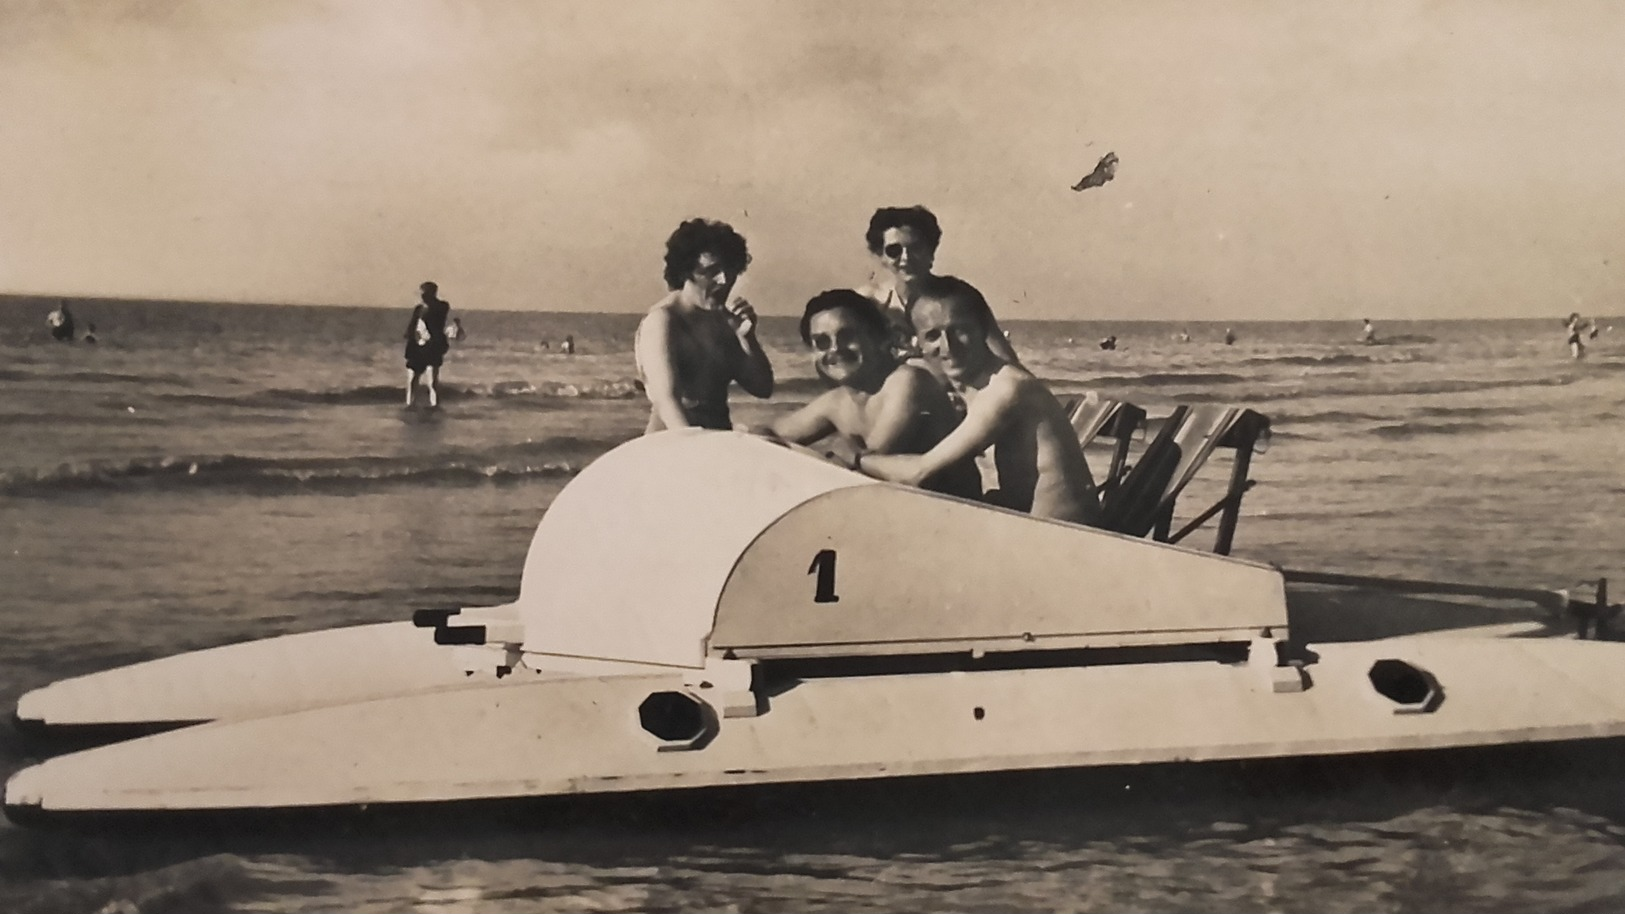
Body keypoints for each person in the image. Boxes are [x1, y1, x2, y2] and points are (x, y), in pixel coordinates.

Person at [856, 276, 1103, 526]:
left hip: (1062, 541)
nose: (947, 346)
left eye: (959, 330)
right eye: (932, 335)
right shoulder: (983, 387)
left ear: (983, 329)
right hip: (1042, 531)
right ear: (917, 342)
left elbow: (920, 472)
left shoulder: (1007, 389)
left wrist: (856, 458)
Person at [763, 289, 979, 499]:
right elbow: (764, 433)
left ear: (879, 337)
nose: (835, 349)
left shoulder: (908, 381)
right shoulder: (837, 401)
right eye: (822, 342)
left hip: (956, 513)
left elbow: (869, 463)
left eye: (847, 336)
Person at [634, 218, 773, 431]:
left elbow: (763, 388)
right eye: (712, 271)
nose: (724, 280)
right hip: (673, 441)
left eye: (730, 270)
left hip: (717, 437)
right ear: (686, 272)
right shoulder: (664, 320)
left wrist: (747, 338)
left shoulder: (724, 321)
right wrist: (698, 452)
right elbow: (667, 402)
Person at [857, 206, 1020, 368]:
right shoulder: (867, 303)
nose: (906, 258)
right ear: (881, 256)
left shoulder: (959, 298)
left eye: (916, 248)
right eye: (894, 250)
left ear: (931, 252)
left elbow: (1004, 358)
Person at [403, 281, 452, 407]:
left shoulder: (441, 306)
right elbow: (412, 326)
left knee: (432, 381)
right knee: (412, 379)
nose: (422, 297)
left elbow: (435, 319)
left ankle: (434, 405)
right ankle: (410, 404)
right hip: (417, 347)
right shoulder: (419, 309)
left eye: (424, 294)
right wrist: (409, 336)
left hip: (433, 346)